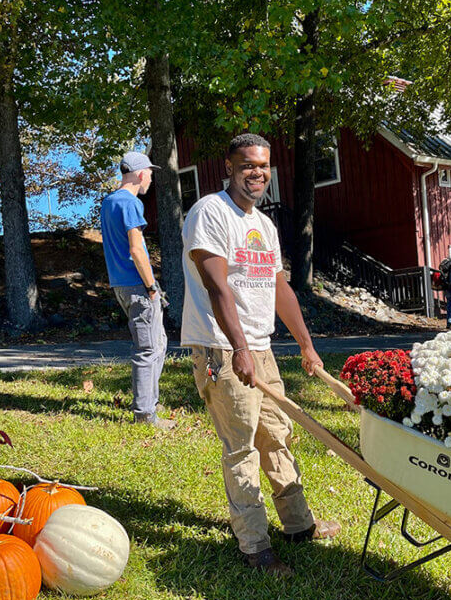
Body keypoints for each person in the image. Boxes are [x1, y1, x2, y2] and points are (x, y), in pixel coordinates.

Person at [181, 132, 340, 577]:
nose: (257, 173)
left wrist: (306, 345)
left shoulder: (264, 225)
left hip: (262, 346)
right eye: (248, 165)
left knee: (277, 434)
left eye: (263, 166)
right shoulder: (209, 212)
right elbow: (217, 286)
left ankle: (298, 525)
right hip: (222, 346)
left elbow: (278, 287)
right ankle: (255, 547)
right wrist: (239, 350)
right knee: (242, 446)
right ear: (228, 169)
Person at [101, 151, 172, 428]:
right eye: (151, 174)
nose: (151, 180)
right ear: (141, 174)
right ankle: (145, 415)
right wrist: (152, 286)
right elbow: (136, 249)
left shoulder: (108, 202)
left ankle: (149, 398)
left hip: (120, 284)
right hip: (138, 285)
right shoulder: (131, 203)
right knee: (147, 349)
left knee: (160, 342)